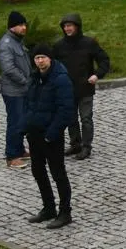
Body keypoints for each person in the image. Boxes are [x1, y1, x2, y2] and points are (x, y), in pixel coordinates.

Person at [23, 45, 76, 228]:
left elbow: (66, 110)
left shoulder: (61, 79)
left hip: (51, 136)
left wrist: (52, 134)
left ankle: (65, 211)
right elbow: (29, 104)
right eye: (37, 58)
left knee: (58, 174)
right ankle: (48, 207)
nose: (39, 61)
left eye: (42, 57)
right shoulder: (34, 77)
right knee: (38, 171)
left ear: (50, 58)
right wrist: (26, 127)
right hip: (35, 133)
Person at [47, 13, 109, 159]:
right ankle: (75, 144)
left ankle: (87, 146)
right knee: (71, 118)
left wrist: (97, 74)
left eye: (70, 26)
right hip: (67, 89)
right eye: (65, 26)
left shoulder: (89, 43)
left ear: (77, 26)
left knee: (86, 118)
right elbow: (52, 64)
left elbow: (104, 60)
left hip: (85, 88)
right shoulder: (59, 46)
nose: (67, 29)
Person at [0, 12, 32, 169]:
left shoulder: (16, 41)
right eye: (20, 25)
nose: (24, 28)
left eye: (25, 24)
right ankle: (12, 156)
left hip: (21, 90)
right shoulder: (6, 44)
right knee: (15, 122)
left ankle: (19, 150)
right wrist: (25, 81)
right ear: (12, 26)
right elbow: (9, 68)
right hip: (14, 91)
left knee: (22, 121)